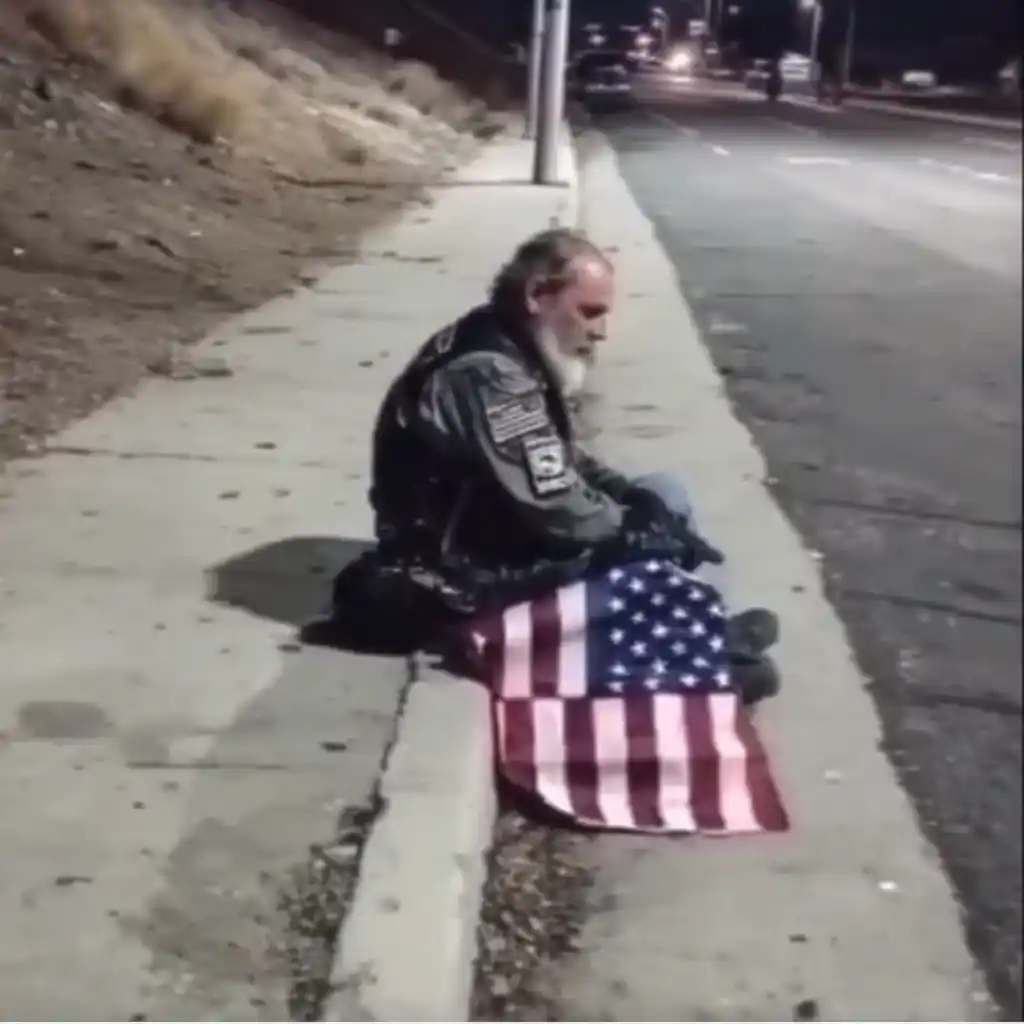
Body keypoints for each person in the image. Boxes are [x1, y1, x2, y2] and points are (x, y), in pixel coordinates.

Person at [328, 228, 780, 700]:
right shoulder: (489, 374)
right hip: (461, 573)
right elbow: (559, 508)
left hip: (487, 540)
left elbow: (556, 456)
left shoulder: (505, 342)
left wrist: (628, 496)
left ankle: (699, 633)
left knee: (661, 495)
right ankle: (696, 654)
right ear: (537, 295)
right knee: (650, 535)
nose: (600, 331)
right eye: (589, 312)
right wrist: (633, 530)